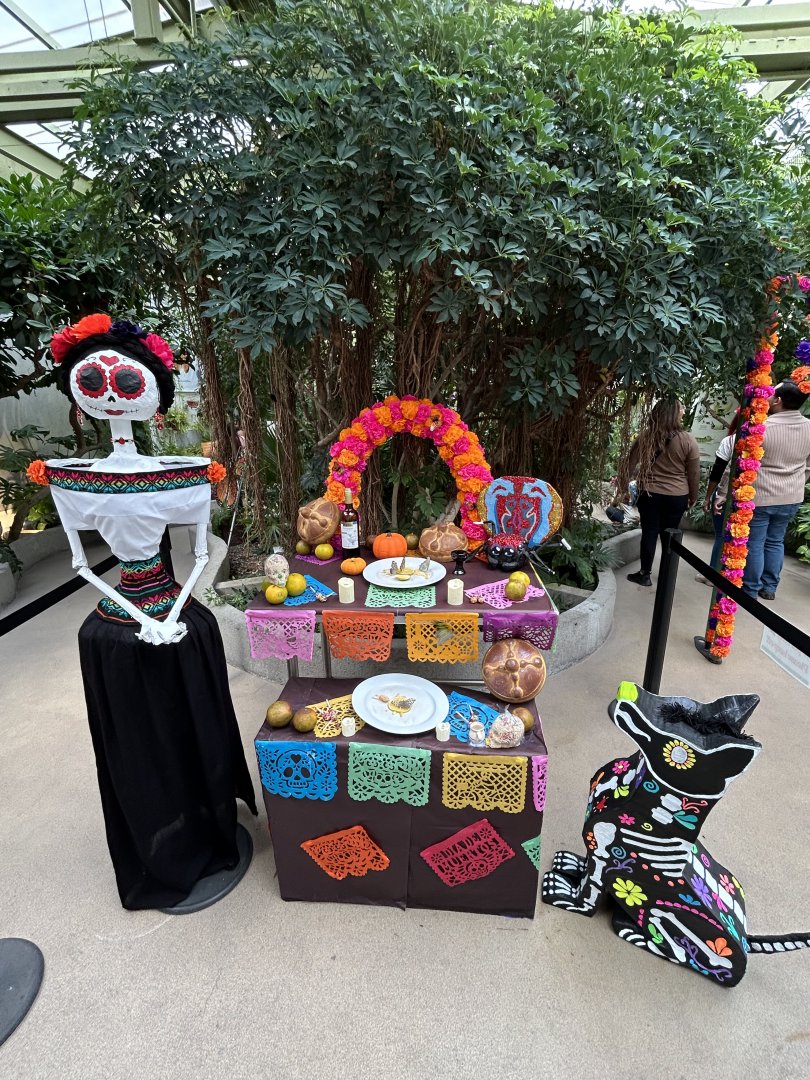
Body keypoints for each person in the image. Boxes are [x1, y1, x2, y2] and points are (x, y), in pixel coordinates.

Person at [30, 314, 256, 910]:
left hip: (171, 604)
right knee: (139, 742)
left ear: (148, 393)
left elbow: (203, 552)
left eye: (125, 384)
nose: (109, 394)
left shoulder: (178, 478)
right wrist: (141, 613)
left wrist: (173, 608)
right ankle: (160, 834)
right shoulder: (73, 481)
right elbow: (82, 565)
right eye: (96, 383)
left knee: (192, 725)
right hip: (125, 612)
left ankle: (206, 819)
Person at [741, 379, 810, 600]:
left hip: (762, 495)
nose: (768, 399)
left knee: (756, 542)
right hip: (791, 496)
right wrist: (797, 480)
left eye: (771, 395)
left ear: (778, 400)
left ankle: (750, 589)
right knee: (775, 540)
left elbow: (745, 462)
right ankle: (769, 588)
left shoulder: (763, 427)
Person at [623, 398, 700, 586]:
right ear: (674, 414)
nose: (683, 411)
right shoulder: (688, 439)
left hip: (649, 493)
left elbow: (629, 463)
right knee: (670, 534)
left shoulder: (646, 436)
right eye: (680, 408)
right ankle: (666, 576)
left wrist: (624, 487)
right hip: (677, 496)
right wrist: (693, 496)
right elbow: (694, 473)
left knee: (649, 532)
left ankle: (645, 574)